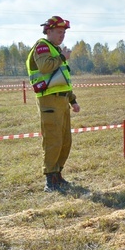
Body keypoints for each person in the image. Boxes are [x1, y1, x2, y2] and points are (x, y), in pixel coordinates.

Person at [26, 16, 81, 192]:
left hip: (62, 100)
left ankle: (58, 175)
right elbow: (45, 68)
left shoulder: (55, 50)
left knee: (65, 141)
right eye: (59, 32)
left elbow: (62, 79)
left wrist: (73, 100)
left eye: (64, 32)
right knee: (53, 140)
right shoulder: (42, 47)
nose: (62, 35)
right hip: (49, 101)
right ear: (48, 31)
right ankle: (50, 180)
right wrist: (63, 57)